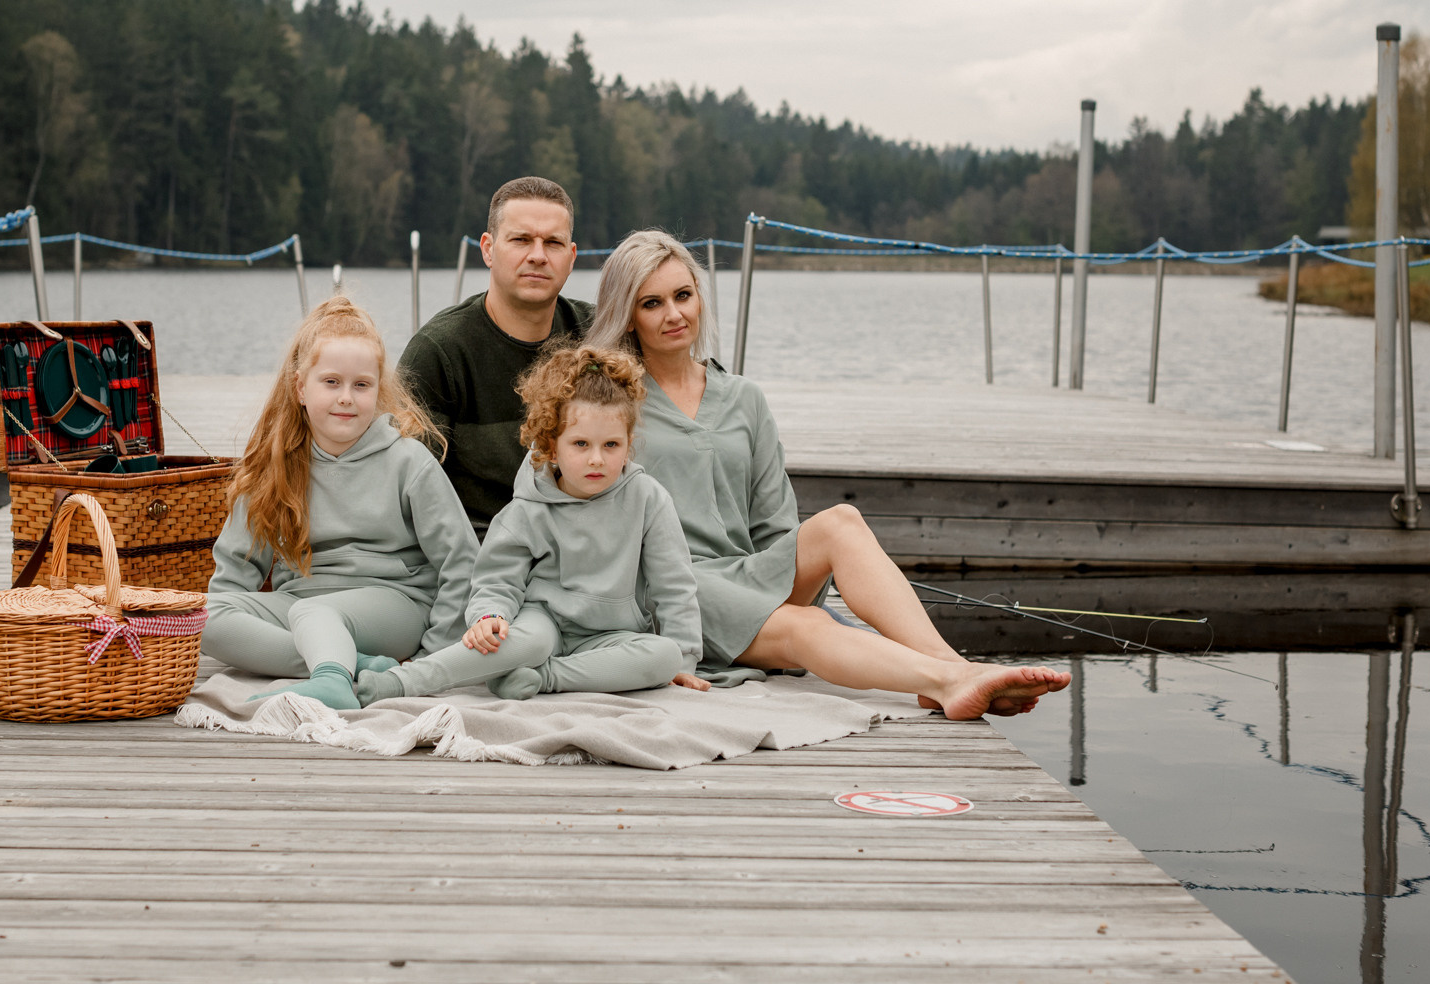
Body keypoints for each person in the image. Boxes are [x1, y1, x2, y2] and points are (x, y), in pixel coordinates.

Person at [585, 229, 1071, 721]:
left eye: (683, 295)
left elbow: (774, 523)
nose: (674, 314)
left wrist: (787, 579)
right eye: (652, 303)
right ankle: (951, 681)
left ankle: (955, 668)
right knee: (804, 626)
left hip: (745, 574)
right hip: (673, 590)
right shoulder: (609, 403)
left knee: (840, 521)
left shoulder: (743, 397)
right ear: (628, 314)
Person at [356, 345, 705, 704]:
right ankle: (404, 680)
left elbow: (674, 586)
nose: (597, 458)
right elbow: (496, 579)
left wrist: (686, 660)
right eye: (581, 444)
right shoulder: (527, 508)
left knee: (665, 656)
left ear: (629, 445)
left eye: (612, 445)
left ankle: (541, 678)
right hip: (543, 623)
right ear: (552, 447)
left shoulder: (648, 499)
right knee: (527, 641)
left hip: (613, 634)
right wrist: (489, 616)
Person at [201, 296, 478, 711]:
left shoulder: (408, 461)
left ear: (378, 390)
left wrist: (431, 656)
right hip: (299, 605)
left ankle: (331, 678)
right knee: (199, 617)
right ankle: (354, 665)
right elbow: (235, 569)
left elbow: (461, 562)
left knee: (316, 615)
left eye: (361, 385)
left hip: (393, 604)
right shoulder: (274, 463)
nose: (346, 397)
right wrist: (232, 620)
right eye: (331, 382)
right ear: (300, 388)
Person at [399, 176, 593, 534]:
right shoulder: (439, 352)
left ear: (571, 257)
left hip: (584, 548)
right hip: (478, 554)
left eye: (553, 242)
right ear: (488, 249)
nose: (538, 255)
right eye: (521, 239)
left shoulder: (598, 335)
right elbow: (405, 489)